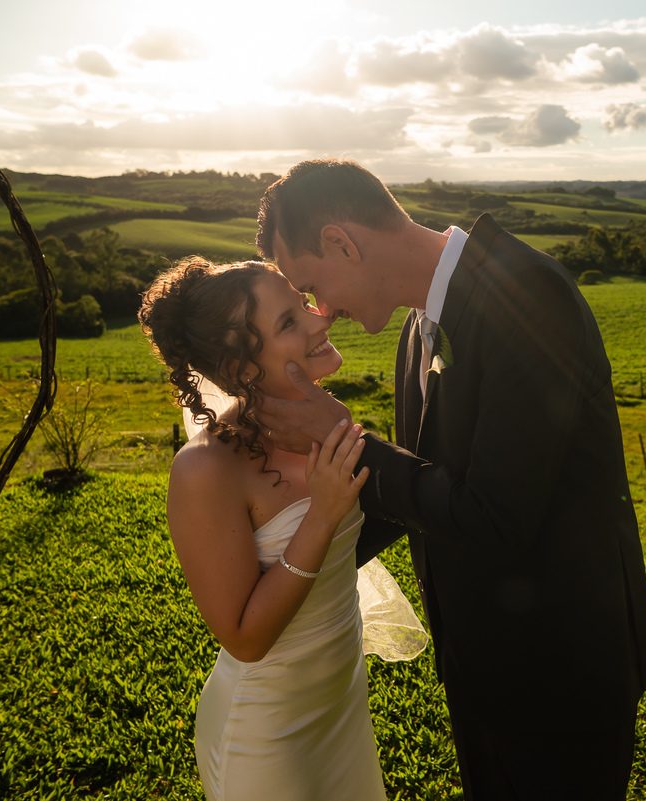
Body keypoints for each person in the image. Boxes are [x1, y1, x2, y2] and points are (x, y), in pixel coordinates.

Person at [254, 159, 646, 799]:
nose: (321, 310)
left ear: (343, 242)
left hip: (561, 672)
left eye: (312, 286)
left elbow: (495, 515)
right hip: (482, 664)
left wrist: (348, 443)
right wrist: (291, 565)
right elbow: (427, 487)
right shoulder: (418, 325)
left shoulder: (526, 295)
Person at [139, 257, 425, 801]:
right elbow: (245, 638)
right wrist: (321, 516)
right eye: (291, 322)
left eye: (303, 304)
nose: (322, 320)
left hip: (341, 704)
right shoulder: (206, 469)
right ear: (242, 368)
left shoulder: (326, 420)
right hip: (267, 732)